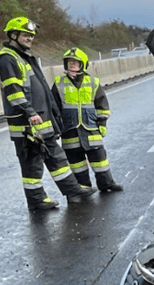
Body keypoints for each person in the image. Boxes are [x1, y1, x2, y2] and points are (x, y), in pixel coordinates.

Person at [0, 17, 95, 210]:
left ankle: (69, 190)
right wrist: (29, 112)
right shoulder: (7, 58)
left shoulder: (23, 57)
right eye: (26, 35)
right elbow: (13, 90)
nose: (30, 39)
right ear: (13, 35)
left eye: (31, 36)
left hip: (39, 119)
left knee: (53, 155)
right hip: (26, 123)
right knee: (32, 161)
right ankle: (38, 199)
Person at [52, 48, 123, 193]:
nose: (72, 65)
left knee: (99, 159)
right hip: (69, 130)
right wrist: (56, 128)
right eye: (70, 62)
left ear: (83, 64)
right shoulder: (59, 83)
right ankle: (83, 186)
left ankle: (106, 183)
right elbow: (54, 108)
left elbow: (102, 105)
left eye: (76, 62)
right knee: (76, 161)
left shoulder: (92, 82)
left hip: (91, 129)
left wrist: (102, 124)